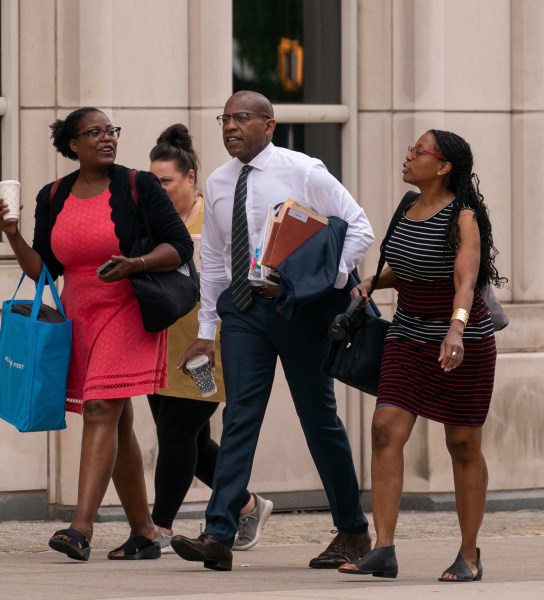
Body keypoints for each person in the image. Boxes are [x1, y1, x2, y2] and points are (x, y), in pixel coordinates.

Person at [170, 91, 374, 572]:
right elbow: (217, 263)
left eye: (242, 118)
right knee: (239, 416)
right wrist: (207, 330)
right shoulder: (219, 183)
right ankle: (219, 533)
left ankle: (353, 530)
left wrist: (323, 277)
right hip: (244, 311)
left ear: (269, 124)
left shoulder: (303, 171)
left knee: (318, 420)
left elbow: (360, 228)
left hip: (300, 312)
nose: (231, 126)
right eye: (225, 118)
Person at [0, 107, 193, 562]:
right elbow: (45, 270)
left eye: (111, 131)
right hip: (79, 316)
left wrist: (136, 263)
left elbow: (179, 246)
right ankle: (144, 533)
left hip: (129, 307)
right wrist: (12, 234)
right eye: (94, 132)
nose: (107, 138)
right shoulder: (53, 195)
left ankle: (80, 527)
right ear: (72, 145)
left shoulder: (137, 185)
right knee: (117, 420)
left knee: (101, 408)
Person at [339, 130, 504, 581]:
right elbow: (405, 264)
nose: (407, 156)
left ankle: (469, 554)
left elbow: (466, 281)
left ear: (444, 166)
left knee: (462, 443)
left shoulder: (463, 217)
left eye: (418, 151)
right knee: (384, 428)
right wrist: (375, 282)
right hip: (407, 334)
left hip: (459, 339)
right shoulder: (406, 208)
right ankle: (383, 548)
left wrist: (457, 329)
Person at [146, 123, 273, 553]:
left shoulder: (212, 216)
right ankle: (248, 505)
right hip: (159, 345)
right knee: (194, 443)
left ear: (190, 179)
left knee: (177, 434)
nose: (160, 189)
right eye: (154, 181)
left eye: (167, 181)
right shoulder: (153, 224)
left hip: (207, 347)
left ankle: (158, 527)